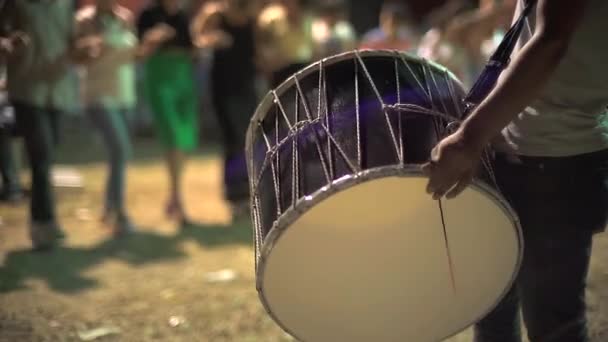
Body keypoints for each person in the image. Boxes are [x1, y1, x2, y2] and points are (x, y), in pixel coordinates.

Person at [423, 1, 607, 341]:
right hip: (529, 154)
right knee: (493, 312)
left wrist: (469, 138)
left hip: (553, 162)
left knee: (554, 328)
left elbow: (552, 41)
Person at [0, 0, 91, 250]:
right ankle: (44, 224)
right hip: (27, 89)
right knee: (41, 157)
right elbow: (3, 37)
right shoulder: (16, 4)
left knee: (48, 157)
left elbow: (72, 46)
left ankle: (43, 220)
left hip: (58, 91)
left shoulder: (65, 5)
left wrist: (84, 51)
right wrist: (8, 45)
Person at [74, 0, 138, 236]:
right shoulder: (83, 20)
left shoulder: (125, 18)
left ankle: (109, 209)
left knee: (118, 155)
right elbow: (76, 56)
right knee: (120, 150)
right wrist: (91, 46)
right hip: (98, 95)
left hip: (124, 94)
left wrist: (149, 45)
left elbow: (133, 54)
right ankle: (119, 213)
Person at [192, 0, 258, 219]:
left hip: (246, 86)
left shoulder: (252, 14)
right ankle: (235, 197)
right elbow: (197, 39)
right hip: (223, 88)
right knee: (233, 142)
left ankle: (250, 196)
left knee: (249, 141)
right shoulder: (215, 14)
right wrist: (212, 40)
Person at [137, 0, 199, 226]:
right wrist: (155, 38)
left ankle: (174, 196)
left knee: (185, 140)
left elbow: (192, 49)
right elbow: (139, 52)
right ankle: (178, 200)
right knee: (172, 136)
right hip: (160, 79)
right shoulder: (148, 14)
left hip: (182, 79)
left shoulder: (183, 15)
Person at [256, 0, 315, 88]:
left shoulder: (307, 17)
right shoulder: (269, 19)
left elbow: (311, 45)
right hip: (281, 70)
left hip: (304, 67)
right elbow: (262, 46)